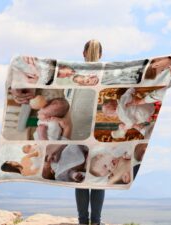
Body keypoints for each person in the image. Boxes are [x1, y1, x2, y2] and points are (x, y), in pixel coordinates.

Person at [75, 39, 104, 225]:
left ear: (83, 53)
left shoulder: (76, 72)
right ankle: (96, 222)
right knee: (99, 178)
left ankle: (82, 221)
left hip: (79, 128)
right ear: (100, 55)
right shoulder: (107, 72)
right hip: (101, 128)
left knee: (81, 174)